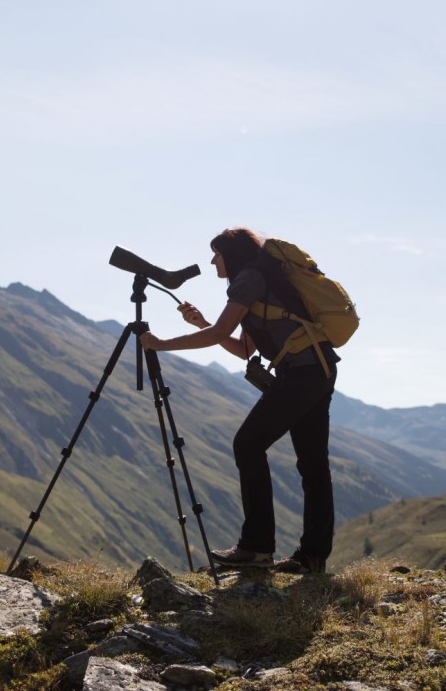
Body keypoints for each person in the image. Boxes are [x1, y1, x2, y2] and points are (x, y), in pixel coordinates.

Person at [139, 227, 339, 573]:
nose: (213, 259)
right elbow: (244, 348)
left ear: (232, 255)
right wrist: (201, 322)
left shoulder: (248, 279)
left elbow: (219, 334)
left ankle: (257, 547)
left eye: (217, 253)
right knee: (312, 465)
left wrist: (160, 344)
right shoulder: (261, 279)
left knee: (248, 445)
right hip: (315, 370)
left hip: (303, 373)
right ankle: (312, 557)